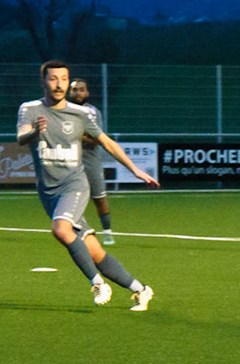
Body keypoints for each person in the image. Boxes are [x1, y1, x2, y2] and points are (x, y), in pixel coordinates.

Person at [16, 60, 159, 310]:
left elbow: (107, 142)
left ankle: (97, 283)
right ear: (43, 81)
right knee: (94, 252)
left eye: (63, 79)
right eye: (53, 78)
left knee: (61, 229)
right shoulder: (29, 109)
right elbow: (20, 138)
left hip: (75, 184)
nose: (59, 84)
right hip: (48, 191)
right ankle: (141, 290)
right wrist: (34, 132)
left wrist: (135, 169)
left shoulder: (80, 114)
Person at [65, 77, 115, 245]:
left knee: (99, 198)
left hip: (90, 161)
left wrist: (78, 136)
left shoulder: (92, 112)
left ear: (87, 93)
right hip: (69, 161)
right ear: (69, 92)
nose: (78, 93)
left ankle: (107, 232)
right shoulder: (62, 110)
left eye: (81, 89)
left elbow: (97, 139)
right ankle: (78, 231)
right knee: (70, 199)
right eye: (74, 90)